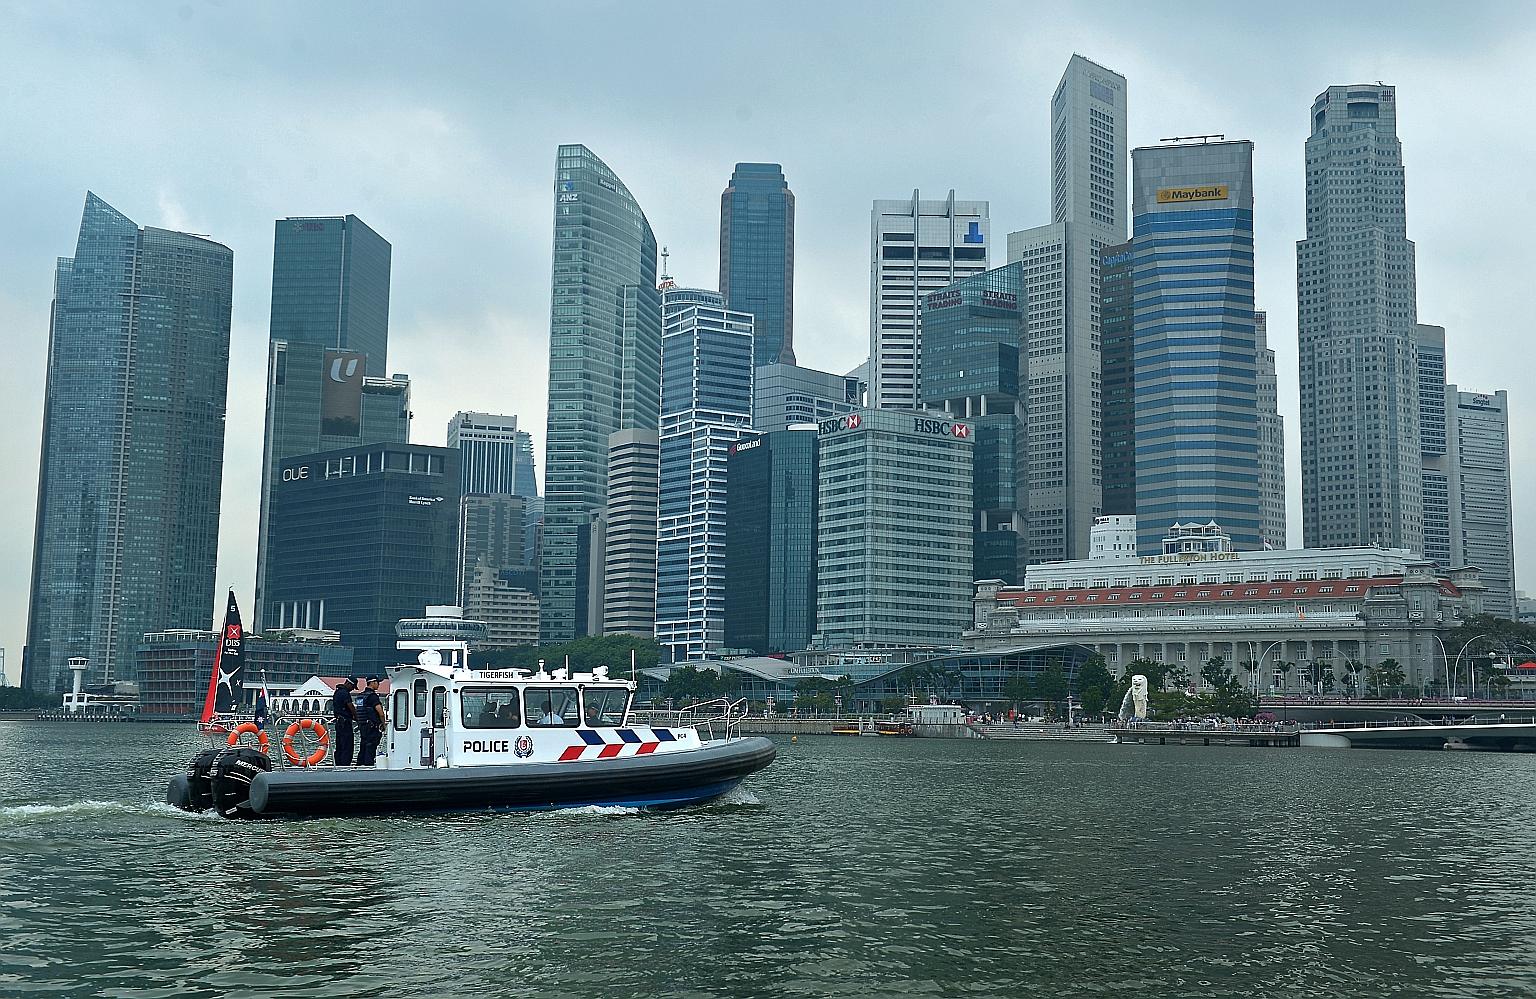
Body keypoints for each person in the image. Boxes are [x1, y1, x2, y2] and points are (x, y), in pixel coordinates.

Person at [357, 677, 386, 767]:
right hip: (372, 726)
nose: (379, 684)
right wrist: (383, 724)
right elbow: (380, 712)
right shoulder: (373, 697)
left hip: (362, 725)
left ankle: (359, 765)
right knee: (371, 746)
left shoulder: (361, 696)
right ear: (372, 683)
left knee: (363, 745)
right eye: (377, 682)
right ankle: (368, 766)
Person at [331, 678, 358, 766]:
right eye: (353, 687)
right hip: (345, 723)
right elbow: (350, 706)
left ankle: (338, 764)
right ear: (349, 684)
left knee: (339, 745)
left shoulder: (337, 692)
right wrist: (357, 717)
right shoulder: (345, 693)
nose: (352, 689)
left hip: (338, 722)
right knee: (347, 745)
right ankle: (345, 765)